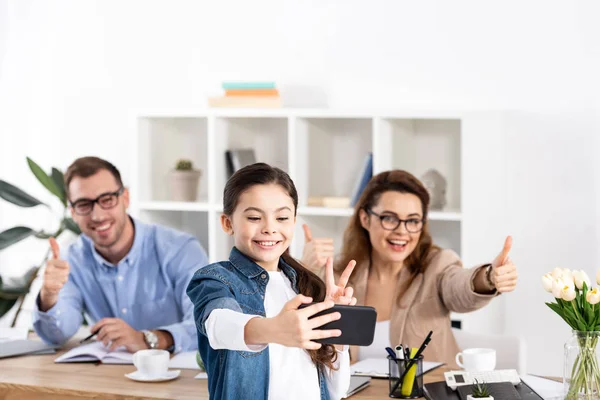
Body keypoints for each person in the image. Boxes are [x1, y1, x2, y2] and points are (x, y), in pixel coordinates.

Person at [301, 170, 518, 365]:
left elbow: (459, 286)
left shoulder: (437, 265)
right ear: (365, 219)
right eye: (389, 218)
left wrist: (489, 277)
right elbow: (303, 339)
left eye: (413, 221)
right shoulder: (340, 275)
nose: (402, 231)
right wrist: (306, 269)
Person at [187, 163, 356, 400]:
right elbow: (218, 324)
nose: (269, 228)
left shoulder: (306, 287)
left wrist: (339, 330)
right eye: (255, 217)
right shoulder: (216, 280)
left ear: (294, 221)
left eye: (282, 217)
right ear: (227, 223)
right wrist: (273, 330)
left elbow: (336, 391)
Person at [33, 156, 208, 353]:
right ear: (73, 212)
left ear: (125, 198)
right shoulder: (71, 259)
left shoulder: (180, 250)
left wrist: (147, 339)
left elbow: (207, 324)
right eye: (83, 205)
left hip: (177, 374)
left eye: (107, 200)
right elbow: (57, 335)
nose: (97, 216)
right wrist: (48, 295)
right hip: (109, 377)